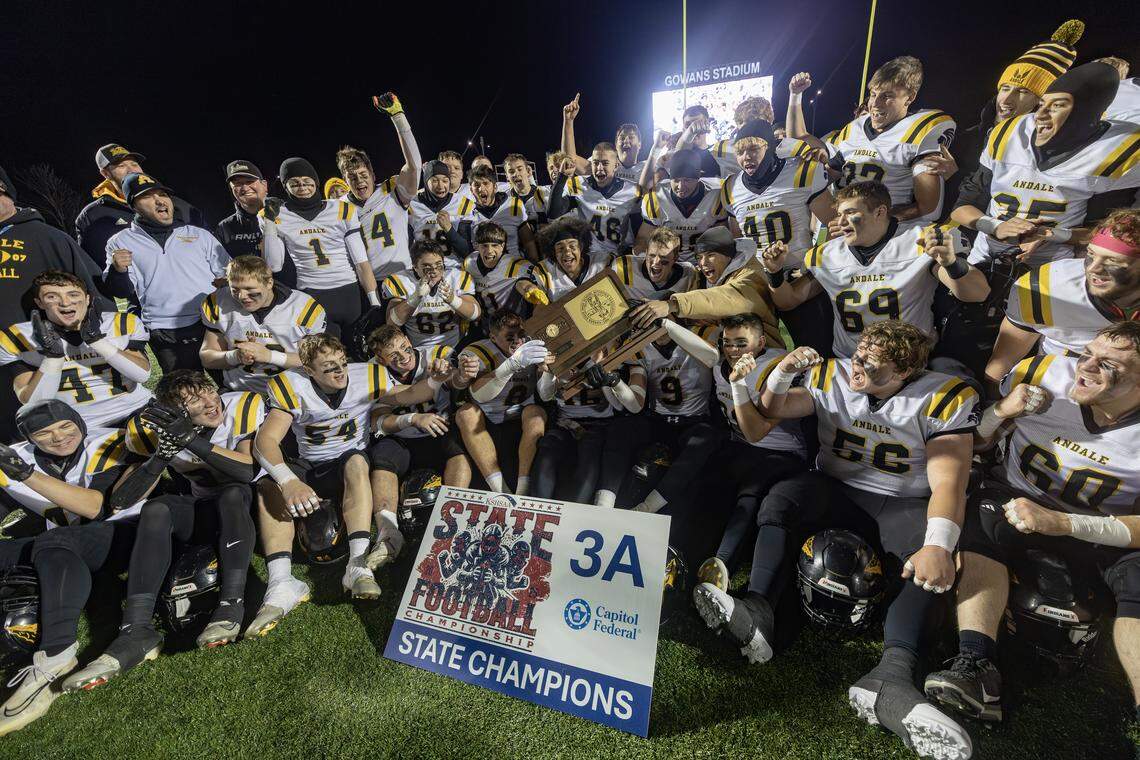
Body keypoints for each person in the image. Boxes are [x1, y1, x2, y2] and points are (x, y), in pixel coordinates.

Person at [694, 320, 978, 759]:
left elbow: (949, 482)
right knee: (783, 498)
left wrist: (938, 544)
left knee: (922, 562)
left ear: (905, 372)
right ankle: (759, 609)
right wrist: (783, 372)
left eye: (872, 364)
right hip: (836, 487)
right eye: (859, 354)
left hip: (901, 500)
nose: (857, 366)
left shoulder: (942, 397)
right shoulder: (835, 373)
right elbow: (771, 410)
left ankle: (893, 675)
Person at [925, 323, 1140, 735]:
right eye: (1087, 353)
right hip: (1015, 503)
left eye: (1109, 365)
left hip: (1103, 531)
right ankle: (976, 665)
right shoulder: (1045, 373)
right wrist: (1000, 412)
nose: (1086, 366)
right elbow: (977, 444)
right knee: (981, 514)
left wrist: (1064, 523)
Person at [65, 371, 266, 691]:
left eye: (208, 391)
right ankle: (137, 628)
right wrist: (161, 456)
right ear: (175, 412)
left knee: (231, 493)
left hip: (255, 505)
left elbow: (246, 472)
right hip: (208, 511)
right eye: (194, 401)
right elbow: (121, 500)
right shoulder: (156, 429)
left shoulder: (240, 405)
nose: (210, 403)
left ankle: (231, 603)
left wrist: (192, 441)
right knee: (157, 508)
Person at [250, 335, 439, 625]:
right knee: (267, 484)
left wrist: (436, 380)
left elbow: (410, 394)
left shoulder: (367, 375)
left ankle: (358, 564)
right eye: (329, 367)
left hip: (351, 467)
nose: (340, 371)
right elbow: (264, 441)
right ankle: (281, 582)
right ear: (308, 370)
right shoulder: (292, 385)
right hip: (313, 465)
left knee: (355, 460)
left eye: (342, 363)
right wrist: (288, 482)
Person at [0, 400, 144, 735]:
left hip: (126, 537)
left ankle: (56, 654)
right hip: (62, 548)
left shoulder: (108, 442)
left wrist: (26, 475)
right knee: (54, 542)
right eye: (44, 433)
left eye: (65, 426)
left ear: (79, 422)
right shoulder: (16, 457)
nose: (59, 437)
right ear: (29, 438)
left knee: (56, 540)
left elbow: (96, 508)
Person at [762, 181, 989, 358]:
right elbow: (788, 301)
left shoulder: (918, 241)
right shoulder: (827, 254)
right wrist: (774, 273)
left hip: (909, 361)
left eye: (850, 213)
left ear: (880, 212)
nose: (840, 221)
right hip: (851, 361)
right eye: (839, 214)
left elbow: (978, 293)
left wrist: (950, 262)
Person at [953, 62, 1140, 267]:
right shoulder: (1008, 132)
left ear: (1085, 112)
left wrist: (1050, 235)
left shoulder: (1117, 151)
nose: (1040, 115)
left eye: (1057, 105)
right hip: (984, 256)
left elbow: (1106, 233)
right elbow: (962, 207)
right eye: (1042, 103)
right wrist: (995, 226)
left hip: (1053, 268)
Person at [984, 208, 1140, 389]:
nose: (1093, 269)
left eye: (1113, 261)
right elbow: (1004, 359)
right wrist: (994, 403)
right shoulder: (1048, 286)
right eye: (1091, 254)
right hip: (1061, 388)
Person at [719, 118, 834, 350]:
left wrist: (817, 268)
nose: (746, 157)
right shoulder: (730, 187)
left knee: (815, 350)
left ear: (770, 146)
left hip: (797, 276)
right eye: (740, 152)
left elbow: (835, 225)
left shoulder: (801, 171)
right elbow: (739, 242)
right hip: (759, 283)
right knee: (758, 355)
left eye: (753, 149)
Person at [366, 326, 475, 566]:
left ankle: (451, 522)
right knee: (382, 457)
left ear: (408, 339)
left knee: (458, 449)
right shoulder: (372, 373)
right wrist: (412, 419)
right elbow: (378, 421)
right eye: (393, 355)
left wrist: (460, 373)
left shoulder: (436, 353)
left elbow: (458, 383)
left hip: (439, 429)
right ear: (380, 359)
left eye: (405, 347)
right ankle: (388, 535)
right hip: (402, 437)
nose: (403, 356)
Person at [102, 173, 230, 373]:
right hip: (166, 331)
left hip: (211, 323)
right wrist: (118, 270)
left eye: (162, 194)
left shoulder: (199, 234)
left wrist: (227, 282)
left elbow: (228, 273)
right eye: (147, 196)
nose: (160, 200)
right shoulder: (120, 241)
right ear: (133, 206)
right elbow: (121, 291)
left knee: (229, 384)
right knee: (185, 388)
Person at [0, 271, 151, 428]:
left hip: (136, 410)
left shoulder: (120, 322)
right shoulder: (20, 336)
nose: (65, 303)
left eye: (73, 295)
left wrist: (97, 341)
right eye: (52, 297)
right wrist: (53, 357)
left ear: (87, 299)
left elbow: (142, 375)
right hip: (78, 427)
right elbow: (35, 402)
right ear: (40, 303)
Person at [822, 56, 956, 224]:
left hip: (894, 232)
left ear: (910, 97)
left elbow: (929, 209)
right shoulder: (854, 128)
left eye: (887, 96)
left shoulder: (919, 131)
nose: (875, 104)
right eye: (873, 94)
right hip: (850, 227)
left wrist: (873, 220)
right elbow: (822, 180)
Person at [258, 157, 380, 338]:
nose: (302, 186)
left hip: (349, 293)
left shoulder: (341, 208)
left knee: (359, 350)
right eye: (294, 183)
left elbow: (361, 261)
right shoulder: (276, 214)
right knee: (324, 353)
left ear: (316, 181)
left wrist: (374, 301)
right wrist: (269, 222)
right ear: (285, 186)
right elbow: (274, 266)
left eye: (307, 181)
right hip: (311, 294)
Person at [628, 227, 785, 351]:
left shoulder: (751, 275)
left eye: (710, 255)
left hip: (763, 354)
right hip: (730, 358)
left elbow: (724, 297)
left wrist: (672, 304)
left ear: (728, 255)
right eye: (699, 257)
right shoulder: (708, 277)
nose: (703, 263)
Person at [532, 343, 647, 509]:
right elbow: (545, 395)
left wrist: (608, 379)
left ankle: (574, 512)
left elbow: (620, 406)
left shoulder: (614, 357)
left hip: (598, 424)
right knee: (547, 451)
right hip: (565, 423)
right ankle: (536, 509)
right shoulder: (558, 357)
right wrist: (548, 370)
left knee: (589, 457)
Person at [199, 255, 327, 394]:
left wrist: (269, 356)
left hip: (293, 390)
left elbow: (316, 361)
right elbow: (207, 358)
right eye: (235, 290)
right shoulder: (218, 303)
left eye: (250, 289)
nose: (242, 296)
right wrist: (236, 356)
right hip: (240, 391)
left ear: (269, 283)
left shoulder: (303, 308)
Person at [455, 310, 549, 495]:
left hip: (522, 411)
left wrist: (545, 369)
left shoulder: (533, 344)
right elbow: (479, 395)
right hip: (487, 417)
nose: (518, 341)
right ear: (493, 337)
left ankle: (523, 488)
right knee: (465, 413)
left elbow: (548, 394)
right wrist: (511, 365)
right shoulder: (478, 352)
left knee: (536, 413)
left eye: (521, 334)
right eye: (510, 337)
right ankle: (500, 489)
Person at [75, 143, 203, 272]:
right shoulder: (93, 215)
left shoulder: (176, 205)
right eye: (121, 166)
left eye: (134, 164)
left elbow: (205, 244)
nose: (131, 170)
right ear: (106, 173)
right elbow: (89, 266)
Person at [338, 92, 422, 281]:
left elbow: (415, 166)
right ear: (345, 181)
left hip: (403, 278)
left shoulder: (391, 190)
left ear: (373, 175)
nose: (359, 181)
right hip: (367, 284)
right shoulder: (340, 207)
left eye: (363, 175)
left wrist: (398, 117)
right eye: (352, 177)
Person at [552, 98, 645, 255]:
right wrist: (568, 122)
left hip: (620, 247)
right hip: (592, 249)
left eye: (631, 137)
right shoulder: (600, 162)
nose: (626, 140)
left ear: (640, 144)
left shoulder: (646, 169)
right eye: (622, 137)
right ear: (615, 144)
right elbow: (570, 159)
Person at [383, 240, 479, 348]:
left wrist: (453, 300)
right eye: (427, 266)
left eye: (438, 265)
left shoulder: (456, 277)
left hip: (454, 348)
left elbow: (475, 315)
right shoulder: (403, 281)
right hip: (418, 350)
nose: (434, 271)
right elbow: (391, 324)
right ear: (415, 267)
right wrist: (415, 297)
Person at [635, 145, 727, 259]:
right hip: (667, 263)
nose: (681, 186)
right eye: (676, 180)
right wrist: (646, 260)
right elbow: (643, 239)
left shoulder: (716, 194)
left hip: (704, 262)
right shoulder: (656, 197)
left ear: (699, 177)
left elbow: (723, 240)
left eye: (687, 180)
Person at [461, 222, 547, 323]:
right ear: (477, 246)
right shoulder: (469, 262)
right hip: (484, 322)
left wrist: (529, 288)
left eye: (494, 245)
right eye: (484, 246)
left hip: (513, 322)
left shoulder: (517, 266)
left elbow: (523, 283)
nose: (489, 251)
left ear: (503, 246)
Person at [452, 165, 536, 260]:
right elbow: (465, 250)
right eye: (476, 185)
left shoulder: (513, 205)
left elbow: (529, 242)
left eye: (485, 183)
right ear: (471, 190)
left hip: (513, 264)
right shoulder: (466, 212)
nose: (481, 189)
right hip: (482, 266)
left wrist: (534, 265)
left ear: (495, 187)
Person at [528, 216, 611, 302]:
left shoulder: (603, 262)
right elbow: (523, 281)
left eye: (572, 246)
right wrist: (529, 287)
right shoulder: (544, 272)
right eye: (560, 248)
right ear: (553, 252)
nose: (567, 253)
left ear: (581, 247)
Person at [612, 227, 696, 301]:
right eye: (652, 255)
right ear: (646, 252)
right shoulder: (624, 267)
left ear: (675, 258)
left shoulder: (689, 274)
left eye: (663, 258)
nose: (655, 262)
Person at [408, 160, 467, 258]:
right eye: (435, 181)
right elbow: (407, 247)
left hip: (454, 265)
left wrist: (449, 229)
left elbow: (466, 251)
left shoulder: (462, 204)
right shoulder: (412, 205)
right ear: (426, 181)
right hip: (424, 264)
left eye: (445, 181)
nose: (440, 186)